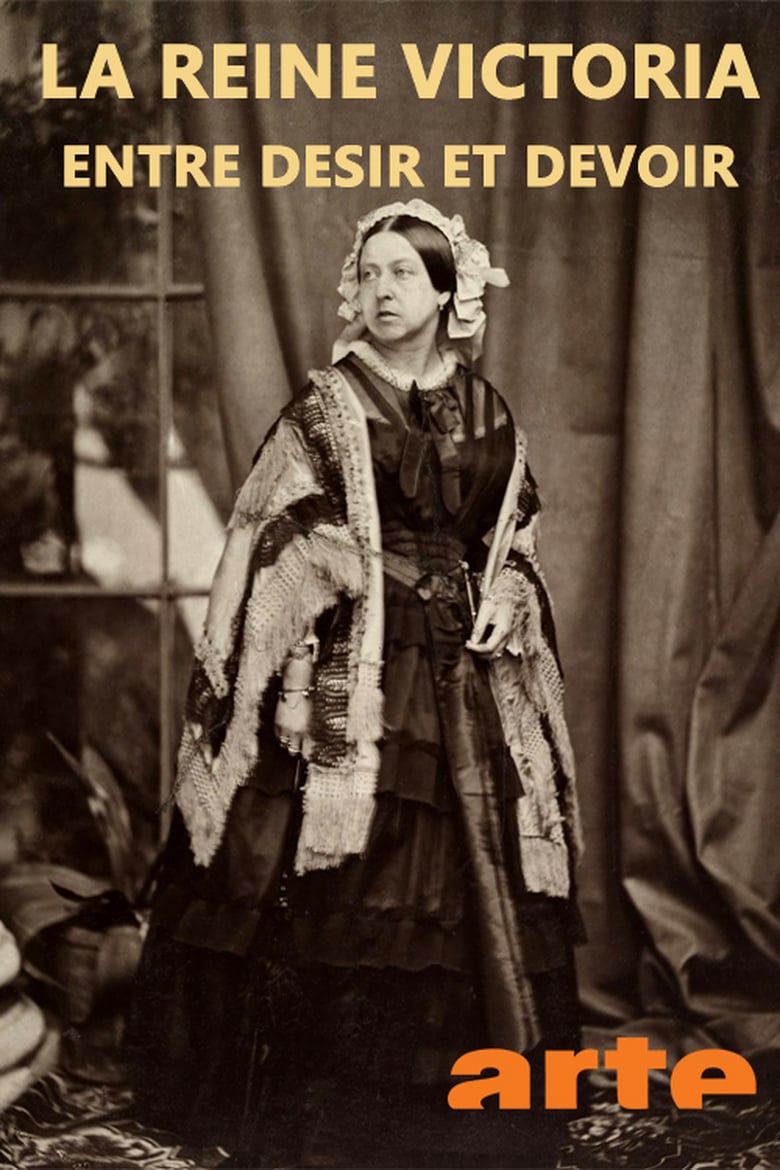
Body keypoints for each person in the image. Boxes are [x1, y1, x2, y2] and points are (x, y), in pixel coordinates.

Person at [127, 199, 583, 1168]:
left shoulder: (491, 412)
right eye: (368, 274)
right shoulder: (326, 405)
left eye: (402, 274)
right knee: (343, 868)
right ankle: (335, 1114)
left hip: (465, 669)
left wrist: (508, 591)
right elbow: (263, 526)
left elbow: (516, 537)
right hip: (348, 665)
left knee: (469, 871)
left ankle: (458, 1109)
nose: (381, 291)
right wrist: (329, 560)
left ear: (447, 292)